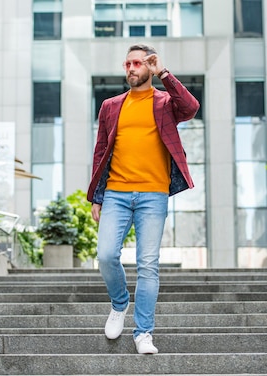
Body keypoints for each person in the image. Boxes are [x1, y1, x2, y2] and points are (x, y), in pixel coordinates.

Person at [87, 44, 200, 354]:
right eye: (127, 63)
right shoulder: (111, 106)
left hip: (153, 194)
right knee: (107, 255)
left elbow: (190, 108)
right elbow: (100, 152)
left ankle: (143, 334)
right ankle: (119, 303)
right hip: (116, 193)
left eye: (138, 63)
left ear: (149, 67)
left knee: (148, 264)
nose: (131, 68)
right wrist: (96, 196)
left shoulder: (165, 102)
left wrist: (164, 72)